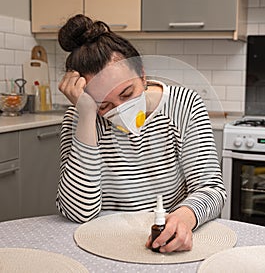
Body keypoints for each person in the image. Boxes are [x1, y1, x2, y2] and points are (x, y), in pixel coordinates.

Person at [56, 14, 226, 253]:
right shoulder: (80, 117)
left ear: (142, 75)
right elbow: (78, 212)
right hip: (104, 241)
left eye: (127, 93)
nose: (121, 110)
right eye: (104, 105)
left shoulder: (185, 104)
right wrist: (85, 116)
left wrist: (184, 218)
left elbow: (211, 189)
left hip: (165, 240)